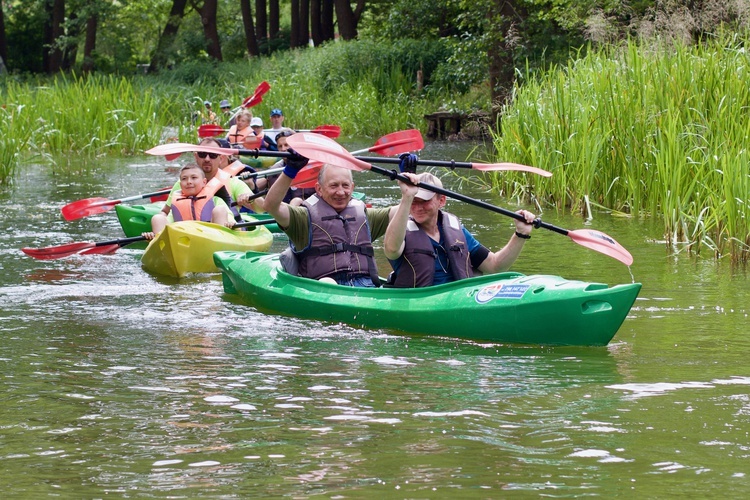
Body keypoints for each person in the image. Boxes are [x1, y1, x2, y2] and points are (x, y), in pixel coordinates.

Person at [383, 171, 536, 288]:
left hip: (459, 298)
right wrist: (406, 197)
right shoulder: (401, 230)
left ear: (441, 200)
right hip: (420, 301)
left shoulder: (455, 230)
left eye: (424, 201)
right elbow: (391, 249)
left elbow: (495, 265)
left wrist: (520, 234)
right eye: (414, 201)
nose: (417, 207)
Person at [264, 156, 396, 287]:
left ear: (352, 187)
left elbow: (403, 211)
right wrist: (290, 170)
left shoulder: (365, 216)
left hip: (366, 287)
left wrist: (410, 184)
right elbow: (271, 206)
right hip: (323, 289)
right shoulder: (302, 217)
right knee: (328, 283)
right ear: (319, 189)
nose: (340, 192)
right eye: (334, 186)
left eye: (345, 185)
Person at [161, 138, 265, 220]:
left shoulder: (233, 182)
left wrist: (250, 198)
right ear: (196, 157)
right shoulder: (183, 183)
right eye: (202, 154)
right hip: (189, 233)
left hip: (222, 233)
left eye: (212, 155)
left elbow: (261, 209)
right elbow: (165, 212)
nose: (207, 159)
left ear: (221, 159)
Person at [142, 164, 233, 240]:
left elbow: (229, 217)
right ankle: (159, 243)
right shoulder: (177, 204)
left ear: (204, 182)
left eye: (194, 178)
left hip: (212, 239)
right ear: (180, 184)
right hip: (183, 241)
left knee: (220, 210)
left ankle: (221, 248)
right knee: (157, 218)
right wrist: (154, 235)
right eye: (184, 179)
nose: (189, 182)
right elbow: (167, 224)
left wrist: (230, 223)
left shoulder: (216, 200)